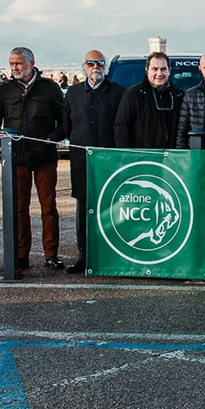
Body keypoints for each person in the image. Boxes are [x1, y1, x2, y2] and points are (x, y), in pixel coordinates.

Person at [0, 47, 65, 270]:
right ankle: (21, 254)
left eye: (19, 63)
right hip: (16, 158)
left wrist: (51, 139)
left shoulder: (49, 89)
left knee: (48, 207)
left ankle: (51, 253)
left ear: (32, 63)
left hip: (44, 157)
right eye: (12, 64)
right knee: (19, 208)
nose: (15, 68)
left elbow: (64, 121)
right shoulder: (4, 91)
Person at [62, 50, 126, 273]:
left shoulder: (119, 93)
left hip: (111, 160)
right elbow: (66, 127)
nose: (95, 66)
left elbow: (122, 127)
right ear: (84, 66)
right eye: (91, 63)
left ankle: (113, 253)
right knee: (83, 207)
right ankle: (84, 255)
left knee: (113, 206)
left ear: (105, 66)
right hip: (81, 160)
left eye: (100, 62)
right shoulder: (73, 93)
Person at [115, 51, 184, 148]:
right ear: (147, 70)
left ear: (169, 70)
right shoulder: (132, 95)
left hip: (172, 158)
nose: (159, 74)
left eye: (163, 69)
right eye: (155, 69)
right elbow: (121, 128)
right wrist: (127, 156)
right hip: (143, 158)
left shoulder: (179, 96)